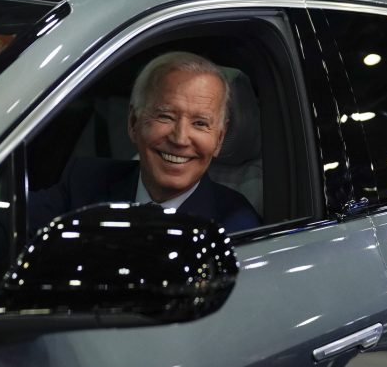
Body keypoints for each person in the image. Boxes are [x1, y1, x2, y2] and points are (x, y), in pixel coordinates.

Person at [31, 51, 261, 233]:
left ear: (219, 139)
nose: (180, 139)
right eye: (166, 116)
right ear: (133, 123)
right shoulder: (85, 183)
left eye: (200, 123)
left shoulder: (235, 226)